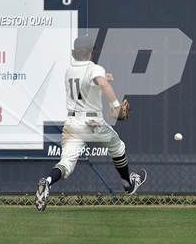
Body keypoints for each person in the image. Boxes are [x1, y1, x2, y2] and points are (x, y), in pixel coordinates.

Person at [35, 36, 147, 211]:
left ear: (74, 52)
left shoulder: (70, 70)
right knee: (118, 146)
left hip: (72, 124)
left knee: (66, 164)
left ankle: (48, 181)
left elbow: (88, 84)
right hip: (93, 123)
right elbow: (100, 83)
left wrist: (104, 77)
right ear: (90, 52)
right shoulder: (94, 68)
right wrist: (116, 105)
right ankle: (128, 185)